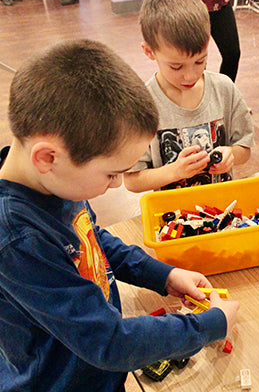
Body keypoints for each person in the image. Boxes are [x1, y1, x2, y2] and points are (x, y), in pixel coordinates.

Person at [0, 39, 239, 391]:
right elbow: (109, 342)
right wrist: (210, 325)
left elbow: (92, 239)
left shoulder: (54, 183)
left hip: (98, 372)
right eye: (111, 174)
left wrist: (164, 275)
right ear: (48, 157)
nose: (116, 185)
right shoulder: (18, 241)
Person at [125, 0, 254, 192]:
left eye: (200, 61)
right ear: (149, 51)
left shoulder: (224, 89)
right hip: (172, 214)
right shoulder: (141, 105)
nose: (190, 76)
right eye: (176, 67)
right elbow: (133, 181)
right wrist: (175, 171)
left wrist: (231, 154)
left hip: (220, 205)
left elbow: (244, 149)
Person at [193, 0, 241, 82]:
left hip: (219, 0)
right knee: (195, 57)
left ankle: (224, 92)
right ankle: (197, 93)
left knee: (232, 54)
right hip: (191, 4)